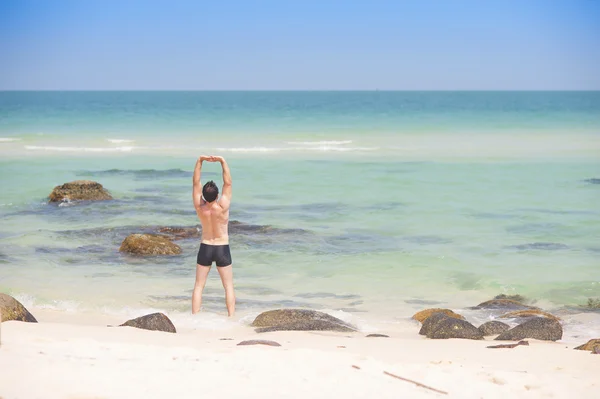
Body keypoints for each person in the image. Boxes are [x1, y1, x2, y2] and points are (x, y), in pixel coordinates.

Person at [191, 155, 235, 316]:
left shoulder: (199, 206)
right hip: (222, 248)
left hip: (205, 247)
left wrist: (199, 161)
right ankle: (231, 317)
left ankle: (195, 317)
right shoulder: (222, 206)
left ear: (203, 195)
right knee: (228, 286)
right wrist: (223, 161)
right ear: (217, 196)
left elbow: (196, 182)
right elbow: (228, 183)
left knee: (199, 286)